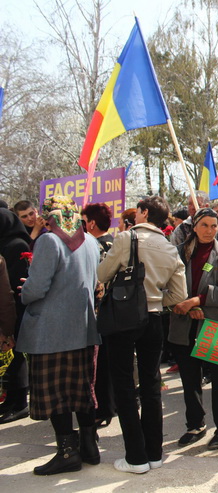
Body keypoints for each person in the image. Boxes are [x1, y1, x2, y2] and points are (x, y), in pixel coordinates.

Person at [98, 196, 187, 474]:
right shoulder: (169, 247)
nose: (135, 215)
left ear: (144, 213)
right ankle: (154, 453)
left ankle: (135, 457)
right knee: (151, 385)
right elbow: (180, 294)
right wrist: (157, 298)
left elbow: (102, 273)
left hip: (123, 317)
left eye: (138, 211)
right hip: (154, 318)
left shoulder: (126, 239)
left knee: (125, 386)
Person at [16, 196, 101, 475]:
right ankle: (89, 447)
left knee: (56, 394)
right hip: (83, 328)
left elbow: (37, 287)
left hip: (51, 331)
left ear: (48, 216)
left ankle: (67, 453)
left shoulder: (49, 241)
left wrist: (25, 290)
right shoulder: (90, 241)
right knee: (81, 390)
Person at [169, 208, 218, 450]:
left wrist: (197, 301)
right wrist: (186, 307)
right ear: (194, 227)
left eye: (214, 226)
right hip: (183, 324)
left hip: (213, 326)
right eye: (205, 225)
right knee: (189, 380)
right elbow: (167, 287)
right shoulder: (179, 252)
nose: (210, 230)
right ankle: (195, 424)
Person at [80, 203, 116, 427]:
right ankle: (112, 404)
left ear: (91, 223)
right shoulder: (117, 242)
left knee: (100, 363)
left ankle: (103, 407)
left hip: (99, 309)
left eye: (83, 222)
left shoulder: (92, 245)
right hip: (116, 309)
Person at [0, 209, 32, 424]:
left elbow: (15, 281)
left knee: (16, 355)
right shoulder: (8, 243)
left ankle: (19, 402)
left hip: (16, 306)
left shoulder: (18, 245)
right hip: (9, 305)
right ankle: (11, 399)